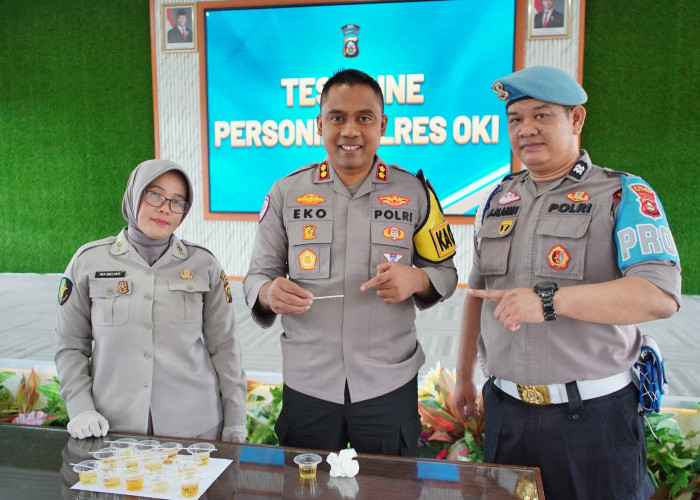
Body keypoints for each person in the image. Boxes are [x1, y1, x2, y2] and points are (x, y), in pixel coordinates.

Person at [453, 66, 681, 499]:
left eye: (541, 115)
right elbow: (478, 295)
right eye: (515, 119)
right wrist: (464, 374)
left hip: (593, 418)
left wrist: (548, 301)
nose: (526, 129)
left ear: (575, 119)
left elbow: (659, 295)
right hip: (506, 412)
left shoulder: (622, 195)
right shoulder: (498, 199)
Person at [243, 68, 458, 456]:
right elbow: (258, 274)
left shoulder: (415, 192)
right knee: (306, 484)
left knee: (388, 485)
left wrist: (415, 280)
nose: (350, 130)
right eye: (337, 117)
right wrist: (268, 292)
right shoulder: (286, 192)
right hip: (309, 381)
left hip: (387, 383)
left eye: (364, 118)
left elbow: (445, 272)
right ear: (319, 124)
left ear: (382, 125)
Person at [55, 159, 247, 442]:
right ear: (134, 194)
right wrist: (81, 409)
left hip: (196, 430)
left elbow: (225, 347)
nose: (165, 208)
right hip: (113, 428)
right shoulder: (89, 262)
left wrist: (235, 420)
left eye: (177, 201)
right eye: (155, 194)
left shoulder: (203, 263)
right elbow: (71, 345)